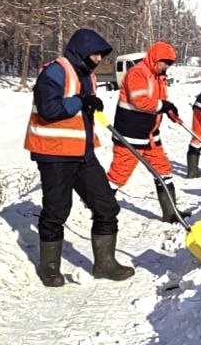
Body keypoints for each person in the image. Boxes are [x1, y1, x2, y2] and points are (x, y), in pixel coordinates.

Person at [24, 28, 134, 286]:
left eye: (101, 55)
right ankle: (49, 267)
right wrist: (81, 101)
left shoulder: (86, 76)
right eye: (95, 54)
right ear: (81, 50)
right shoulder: (55, 71)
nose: (98, 59)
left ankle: (105, 263)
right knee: (56, 211)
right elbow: (49, 109)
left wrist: (88, 100)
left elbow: (81, 103)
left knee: (106, 206)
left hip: (83, 154)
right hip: (54, 155)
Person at [107, 41, 186, 222]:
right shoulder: (138, 73)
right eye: (165, 62)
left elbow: (160, 102)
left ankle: (171, 213)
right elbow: (140, 101)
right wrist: (162, 106)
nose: (167, 67)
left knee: (164, 170)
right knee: (119, 174)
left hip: (150, 134)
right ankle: (99, 205)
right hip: (130, 133)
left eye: (169, 64)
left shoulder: (159, 77)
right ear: (155, 59)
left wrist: (169, 110)